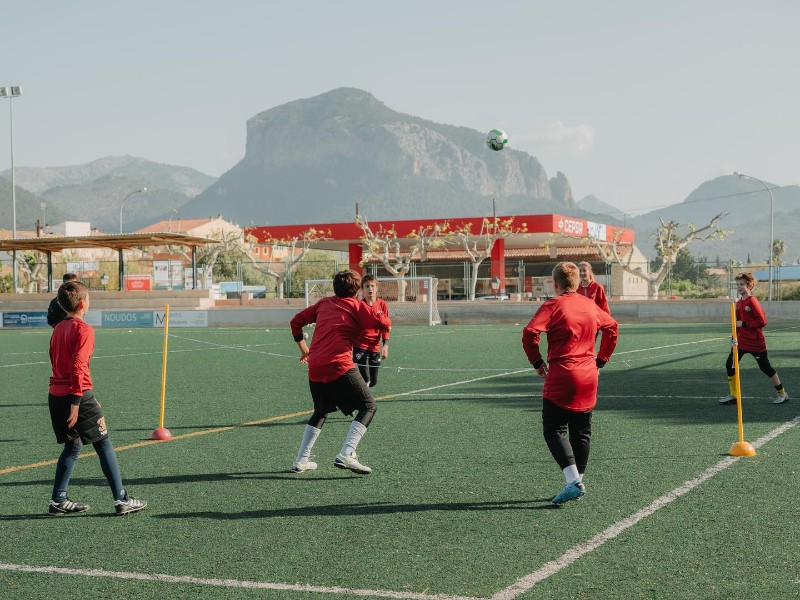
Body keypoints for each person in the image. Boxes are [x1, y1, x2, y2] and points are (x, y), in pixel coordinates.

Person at [522, 262, 618, 505]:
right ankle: (578, 481)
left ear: (555, 284)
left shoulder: (553, 305)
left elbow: (530, 333)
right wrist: (601, 361)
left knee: (554, 429)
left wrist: (537, 362)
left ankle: (573, 481)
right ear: (577, 282)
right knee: (581, 431)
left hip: (562, 374)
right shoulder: (590, 305)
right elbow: (612, 328)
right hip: (588, 375)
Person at [47, 280, 147, 516]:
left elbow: (58, 364)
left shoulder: (57, 329)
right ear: (83, 304)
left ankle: (58, 500)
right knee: (104, 443)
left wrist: (83, 397)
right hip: (74, 395)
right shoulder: (84, 330)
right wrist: (78, 401)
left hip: (56, 395)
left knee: (73, 446)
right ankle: (121, 499)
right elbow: (78, 366)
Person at [290, 270, 392, 475]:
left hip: (315, 366)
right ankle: (347, 452)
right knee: (368, 406)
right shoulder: (358, 306)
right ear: (356, 289)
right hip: (339, 365)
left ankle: (301, 460)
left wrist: (304, 349)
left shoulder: (323, 303)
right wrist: (378, 313)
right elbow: (385, 324)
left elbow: (295, 322)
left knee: (320, 411)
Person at [719, 272, 788, 405]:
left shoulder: (753, 301)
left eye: (742, 284)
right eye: (737, 285)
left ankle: (782, 394)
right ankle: (734, 395)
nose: (739, 287)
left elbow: (762, 321)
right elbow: (736, 323)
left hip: (756, 343)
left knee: (765, 368)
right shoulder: (739, 303)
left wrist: (744, 324)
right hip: (741, 342)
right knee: (730, 365)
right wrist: (734, 339)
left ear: (750, 286)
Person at [353, 274, 390, 388]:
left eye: (373, 286)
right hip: (360, 346)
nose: (370, 289)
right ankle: (361, 401)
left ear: (377, 288)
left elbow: (386, 327)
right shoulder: (359, 305)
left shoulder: (382, 304)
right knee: (366, 379)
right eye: (367, 286)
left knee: (373, 381)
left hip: (375, 346)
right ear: (362, 289)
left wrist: (385, 346)